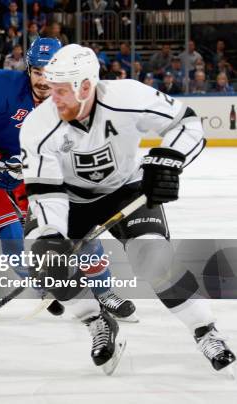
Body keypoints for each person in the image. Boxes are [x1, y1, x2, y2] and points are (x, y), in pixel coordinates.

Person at [20, 43, 235, 373]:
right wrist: (50, 235)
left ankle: (205, 331)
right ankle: (97, 323)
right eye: (52, 89)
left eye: (62, 91)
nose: (54, 98)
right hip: (70, 200)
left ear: (86, 86)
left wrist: (169, 161)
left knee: (153, 259)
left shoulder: (129, 97)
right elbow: (46, 192)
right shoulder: (38, 126)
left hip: (126, 191)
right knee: (46, 257)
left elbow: (187, 124)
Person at [0, 38, 137, 320]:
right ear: (28, 69)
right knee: (12, 241)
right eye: (37, 72)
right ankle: (44, 284)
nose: (43, 80)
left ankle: (104, 292)